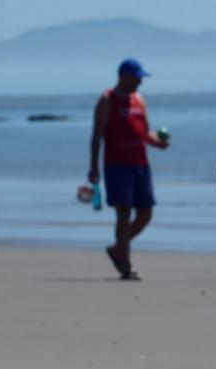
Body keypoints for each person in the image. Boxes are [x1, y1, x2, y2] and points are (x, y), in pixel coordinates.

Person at [88, 58, 169, 281]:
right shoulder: (107, 100)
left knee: (145, 213)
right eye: (137, 78)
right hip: (117, 165)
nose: (140, 83)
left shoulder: (139, 100)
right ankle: (126, 265)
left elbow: (146, 133)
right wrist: (93, 166)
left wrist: (159, 143)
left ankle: (118, 248)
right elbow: (96, 137)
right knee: (123, 214)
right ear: (124, 76)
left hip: (141, 164)